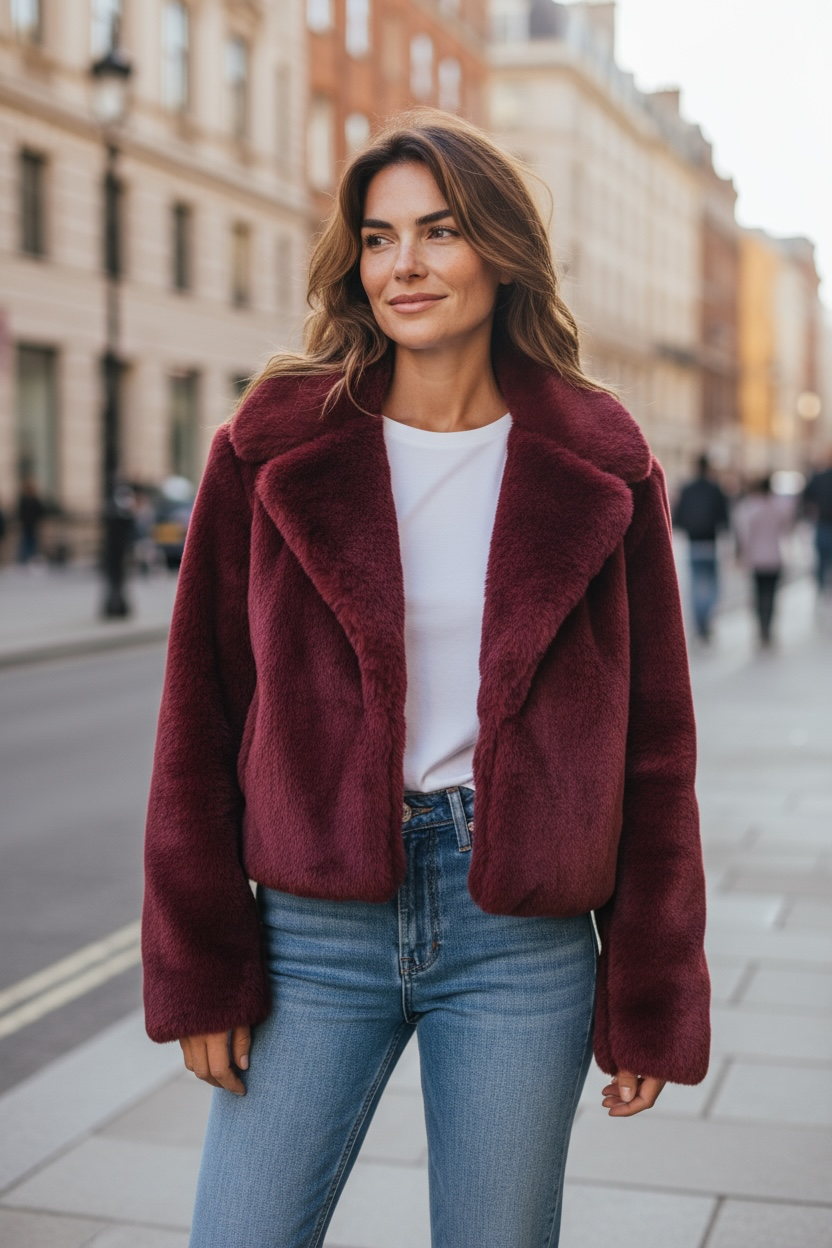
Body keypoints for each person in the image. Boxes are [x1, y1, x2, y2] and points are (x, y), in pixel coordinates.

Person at [142, 113, 710, 1248]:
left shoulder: (600, 459)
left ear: (498, 250)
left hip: (520, 936)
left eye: (438, 232)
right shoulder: (271, 443)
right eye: (378, 236)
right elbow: (198, 717)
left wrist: (650, 988)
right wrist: (201, 962)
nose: (403, 264)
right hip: (313, 928)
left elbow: (655, 751)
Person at [672, 454, 730, 642]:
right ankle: (706, 621)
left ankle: (699, 623)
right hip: (710, 542)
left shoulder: (687, 489)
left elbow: (678, 516)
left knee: (696, 585)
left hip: (693, 542)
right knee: (712, 585)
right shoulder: (715, 489)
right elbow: (724, 517)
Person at [734, 476, 795, 647]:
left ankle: (761, 628)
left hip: (756, 558)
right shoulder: (779, 507)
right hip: (775, 556)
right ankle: (768, 628)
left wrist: (742, 555)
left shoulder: (750, 508)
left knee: (758, 594)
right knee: (772, 595)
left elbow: (744, 533)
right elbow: (787, 528)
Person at [803, 447, 832, 597]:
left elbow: (806, 498)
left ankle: (822, 590)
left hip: (823, 525)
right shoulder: (819, 477)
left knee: (822, 562)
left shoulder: (819, 477)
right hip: (823, 525)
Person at [16, 477, 47, 565]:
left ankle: (32, 559)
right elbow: (20, 513)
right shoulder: (24, 500)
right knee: (26, 542)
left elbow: (41, 512)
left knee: (32, 542)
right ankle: (24, 559)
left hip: (33, 525)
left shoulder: (33, 500)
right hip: (27, 525)